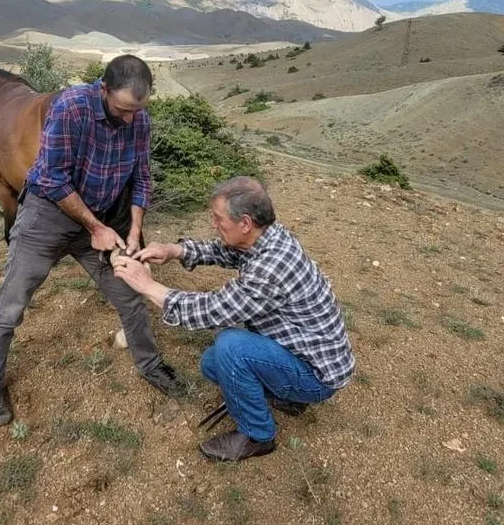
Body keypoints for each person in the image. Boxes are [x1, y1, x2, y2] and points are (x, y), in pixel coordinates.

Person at [0, 54, 187, 427]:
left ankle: (151, 364)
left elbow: (141, 176)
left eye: (137, 110)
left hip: (100, 220)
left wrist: (134, 227)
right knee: (11, 304)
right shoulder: (72, 107)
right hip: (47, 216)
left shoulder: (138, 120)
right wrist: (96, 228)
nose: (130, 119)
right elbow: (52, 178)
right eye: (123, 110)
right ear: (103, 89)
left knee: (130, 296)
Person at [112, 176, 355, 462]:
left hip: (317, 376)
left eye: (218, 218)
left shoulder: (270, 267)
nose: (214, 224)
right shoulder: (268, 237)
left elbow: (212, 310)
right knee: (213, 363)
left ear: (245, 223)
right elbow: (226, 252)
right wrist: (174, 250)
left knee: (231, 346)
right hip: (306, 354)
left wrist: (148, 286)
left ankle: (257, 435)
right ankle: (285, 395)